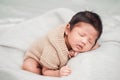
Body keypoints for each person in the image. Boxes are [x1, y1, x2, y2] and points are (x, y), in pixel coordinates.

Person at [22, 10, 103, 77]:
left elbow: (95, 45)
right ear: (68, 30)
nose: (84, 42)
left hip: (53, 60)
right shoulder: (53, 50)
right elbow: (45, 72)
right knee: (29, 67)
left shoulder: (77, 41)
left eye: (90, 41)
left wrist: (76, 51)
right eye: (81, 35)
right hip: (36, 57)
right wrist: (58, 73)